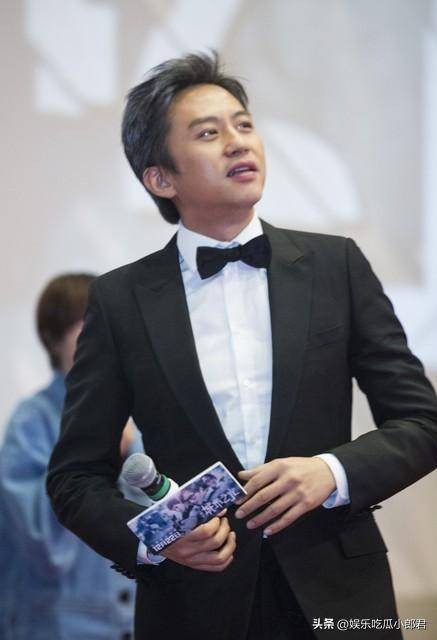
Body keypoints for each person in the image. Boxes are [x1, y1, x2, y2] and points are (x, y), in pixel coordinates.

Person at [46, 53, 437, 640]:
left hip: (341, 595)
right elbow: (75, 477)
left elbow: (422, 422)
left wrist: (331, 472)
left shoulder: (336, 266)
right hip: (193, 605)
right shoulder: (121, 299)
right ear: (161, 179)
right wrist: (158, 538)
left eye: (244, 124)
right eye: (208, 133)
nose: (238, 142)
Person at [0, 274, 144, 640]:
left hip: (134, 618)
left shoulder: (136, 413)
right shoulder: (33, 420)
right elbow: (39, 539)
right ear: (53, 339)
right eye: (86, 331)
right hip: (58, 621)